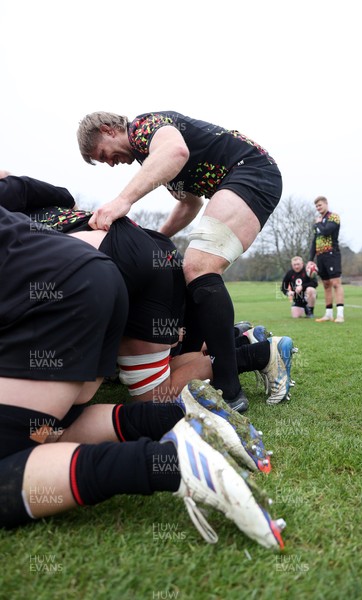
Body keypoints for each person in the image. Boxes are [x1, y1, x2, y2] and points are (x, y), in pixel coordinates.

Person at [0, 205, 286, 549]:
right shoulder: (35, 208)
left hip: (81, 278)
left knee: (16, 450)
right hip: (102, 273)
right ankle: (181, 415)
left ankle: (172, 461)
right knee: (51, 422)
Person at [0, 172, 296, 408]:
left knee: (151, 394)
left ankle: (257, 355)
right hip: (144, 244)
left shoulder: (20, 236)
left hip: (109, 261)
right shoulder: (32, 205)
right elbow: (61, 195)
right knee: (162, 364)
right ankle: (248, 346)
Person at [77, 111, 284, 411]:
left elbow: (176, 151)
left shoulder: (143, 127)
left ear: (109, 130)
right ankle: (228, 347)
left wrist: (123, 200)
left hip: (250, 171)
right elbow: (190, 203)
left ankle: (229, 388)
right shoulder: (149, 156)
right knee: (192, 270)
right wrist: (155, 238)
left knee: (199, 267)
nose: (110, 163)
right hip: (241, 176)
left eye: (103, 155)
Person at [309, 196, 345, 323]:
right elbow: (314, 241)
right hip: (320, 256)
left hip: (332, 254)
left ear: (326, 204)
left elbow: (326, 231)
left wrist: (318, 223)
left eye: (320, 205)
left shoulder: (333, 217)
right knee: (326, 285)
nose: (318, 208)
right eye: (317, 206)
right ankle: (328, 313)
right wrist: (310, 259)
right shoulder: (317, 222)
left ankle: (340, 314)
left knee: (336, 283)